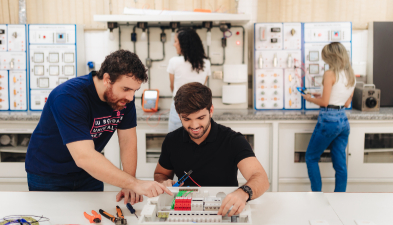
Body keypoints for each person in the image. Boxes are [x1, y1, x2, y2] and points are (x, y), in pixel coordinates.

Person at [25, 50, 172, 203]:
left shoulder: (124, 101)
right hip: (49, 173)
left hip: (89, 173)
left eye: (134, 90)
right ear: (107, 79)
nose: (130, 97)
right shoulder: (69, 97)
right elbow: (84, 156)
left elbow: (127, 141)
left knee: (94, 218)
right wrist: (135, 184)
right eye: (126, 89)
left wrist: (130, 183)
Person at [154, 82, 270, 217]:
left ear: (211, 111)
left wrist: (243, 192)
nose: (194, 125)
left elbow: (261, 178)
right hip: (186, 212)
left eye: (200, 118)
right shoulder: (172, 141)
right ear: (179, 116)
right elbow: (160, 174)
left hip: (225, 210)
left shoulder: (233, 140)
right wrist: (164, 182)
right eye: (187, 119)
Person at [302, 42, 356, 192]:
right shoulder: (351, 75)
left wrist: (309, 98)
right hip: (343, 121)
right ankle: (340, 197)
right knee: (340, 163)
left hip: (329, 120)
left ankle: (318, 195)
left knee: (311, 157)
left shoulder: (330, 74)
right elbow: (345, 103)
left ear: (331, 57)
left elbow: (325, 102)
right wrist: (323, 95)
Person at [167, 28, 211, 132]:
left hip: (179, 108)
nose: (174, 44)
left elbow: (172, 86)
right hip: (199, 109)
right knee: (198, 143)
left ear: (183, 43)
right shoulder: (206, 63)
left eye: (176, 41)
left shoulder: (174, 62)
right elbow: (201, 87)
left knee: (175, 143)